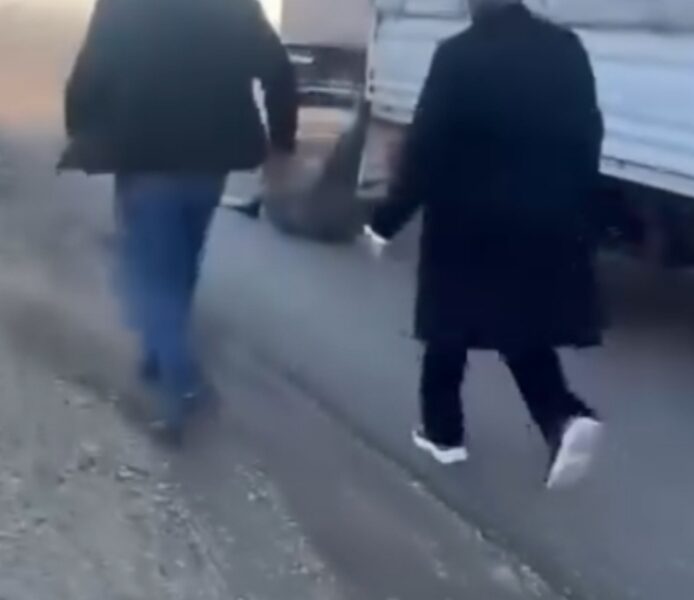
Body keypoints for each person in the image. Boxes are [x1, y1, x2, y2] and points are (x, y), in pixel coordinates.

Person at [365, 0, 605, 488]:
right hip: (543, 216)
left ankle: (443, 433)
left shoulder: (458, 55)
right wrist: (577, 207)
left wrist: (385, 221)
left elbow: (427, 147)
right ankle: (561, 416)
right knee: (519, 326)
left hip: (466, 219)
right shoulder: (565, 48)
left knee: (446, 324)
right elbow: (588, 134)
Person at [62, 0, 298, 442]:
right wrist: (282, 144)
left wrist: (81, 130)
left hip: (146, 156)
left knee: (148, 275)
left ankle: (182, 387)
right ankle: (160, 355)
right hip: (210, 162)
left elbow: (90, 71)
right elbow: (278, 70)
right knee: (182, 260)